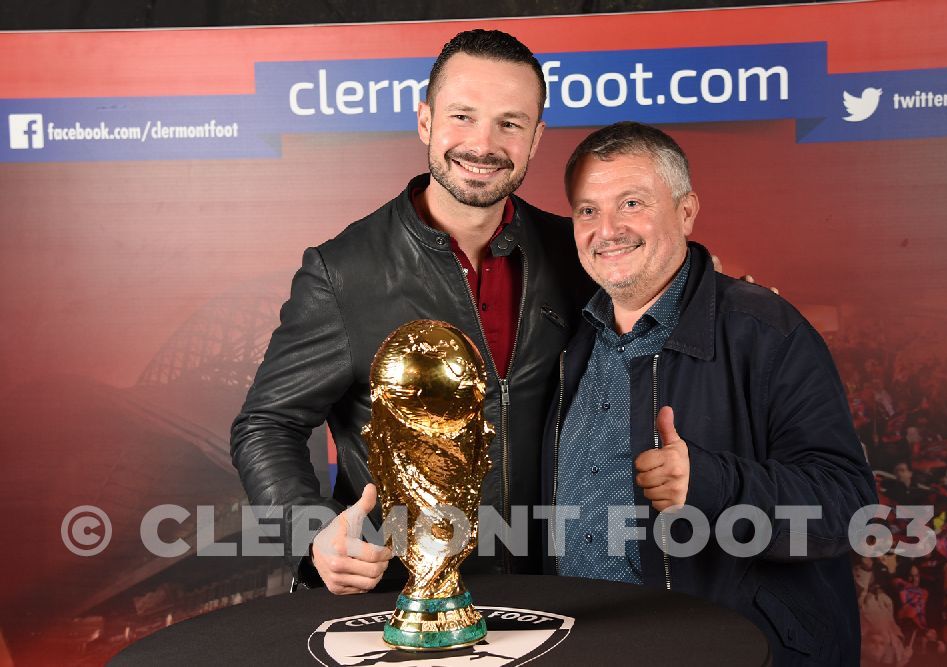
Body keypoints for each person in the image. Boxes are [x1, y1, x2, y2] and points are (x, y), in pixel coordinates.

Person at [230, 29, 593, 593]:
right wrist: (312, 533)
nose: (483, 144)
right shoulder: (342, 272)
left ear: (536, 138)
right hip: (397, 600)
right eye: (462, 116)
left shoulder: (576, 254)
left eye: (510, 123)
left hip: (552, 593)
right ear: (425, 120)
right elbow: (266, 425)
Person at [541, 122, 878, 665]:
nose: (607, 230)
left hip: (731, 651)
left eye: (631, 203)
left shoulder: (765, 331)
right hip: (586, 649)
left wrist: (710, 484)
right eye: (587, 210)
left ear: (686, 212)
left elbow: (849, 506)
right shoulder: (568, 345)